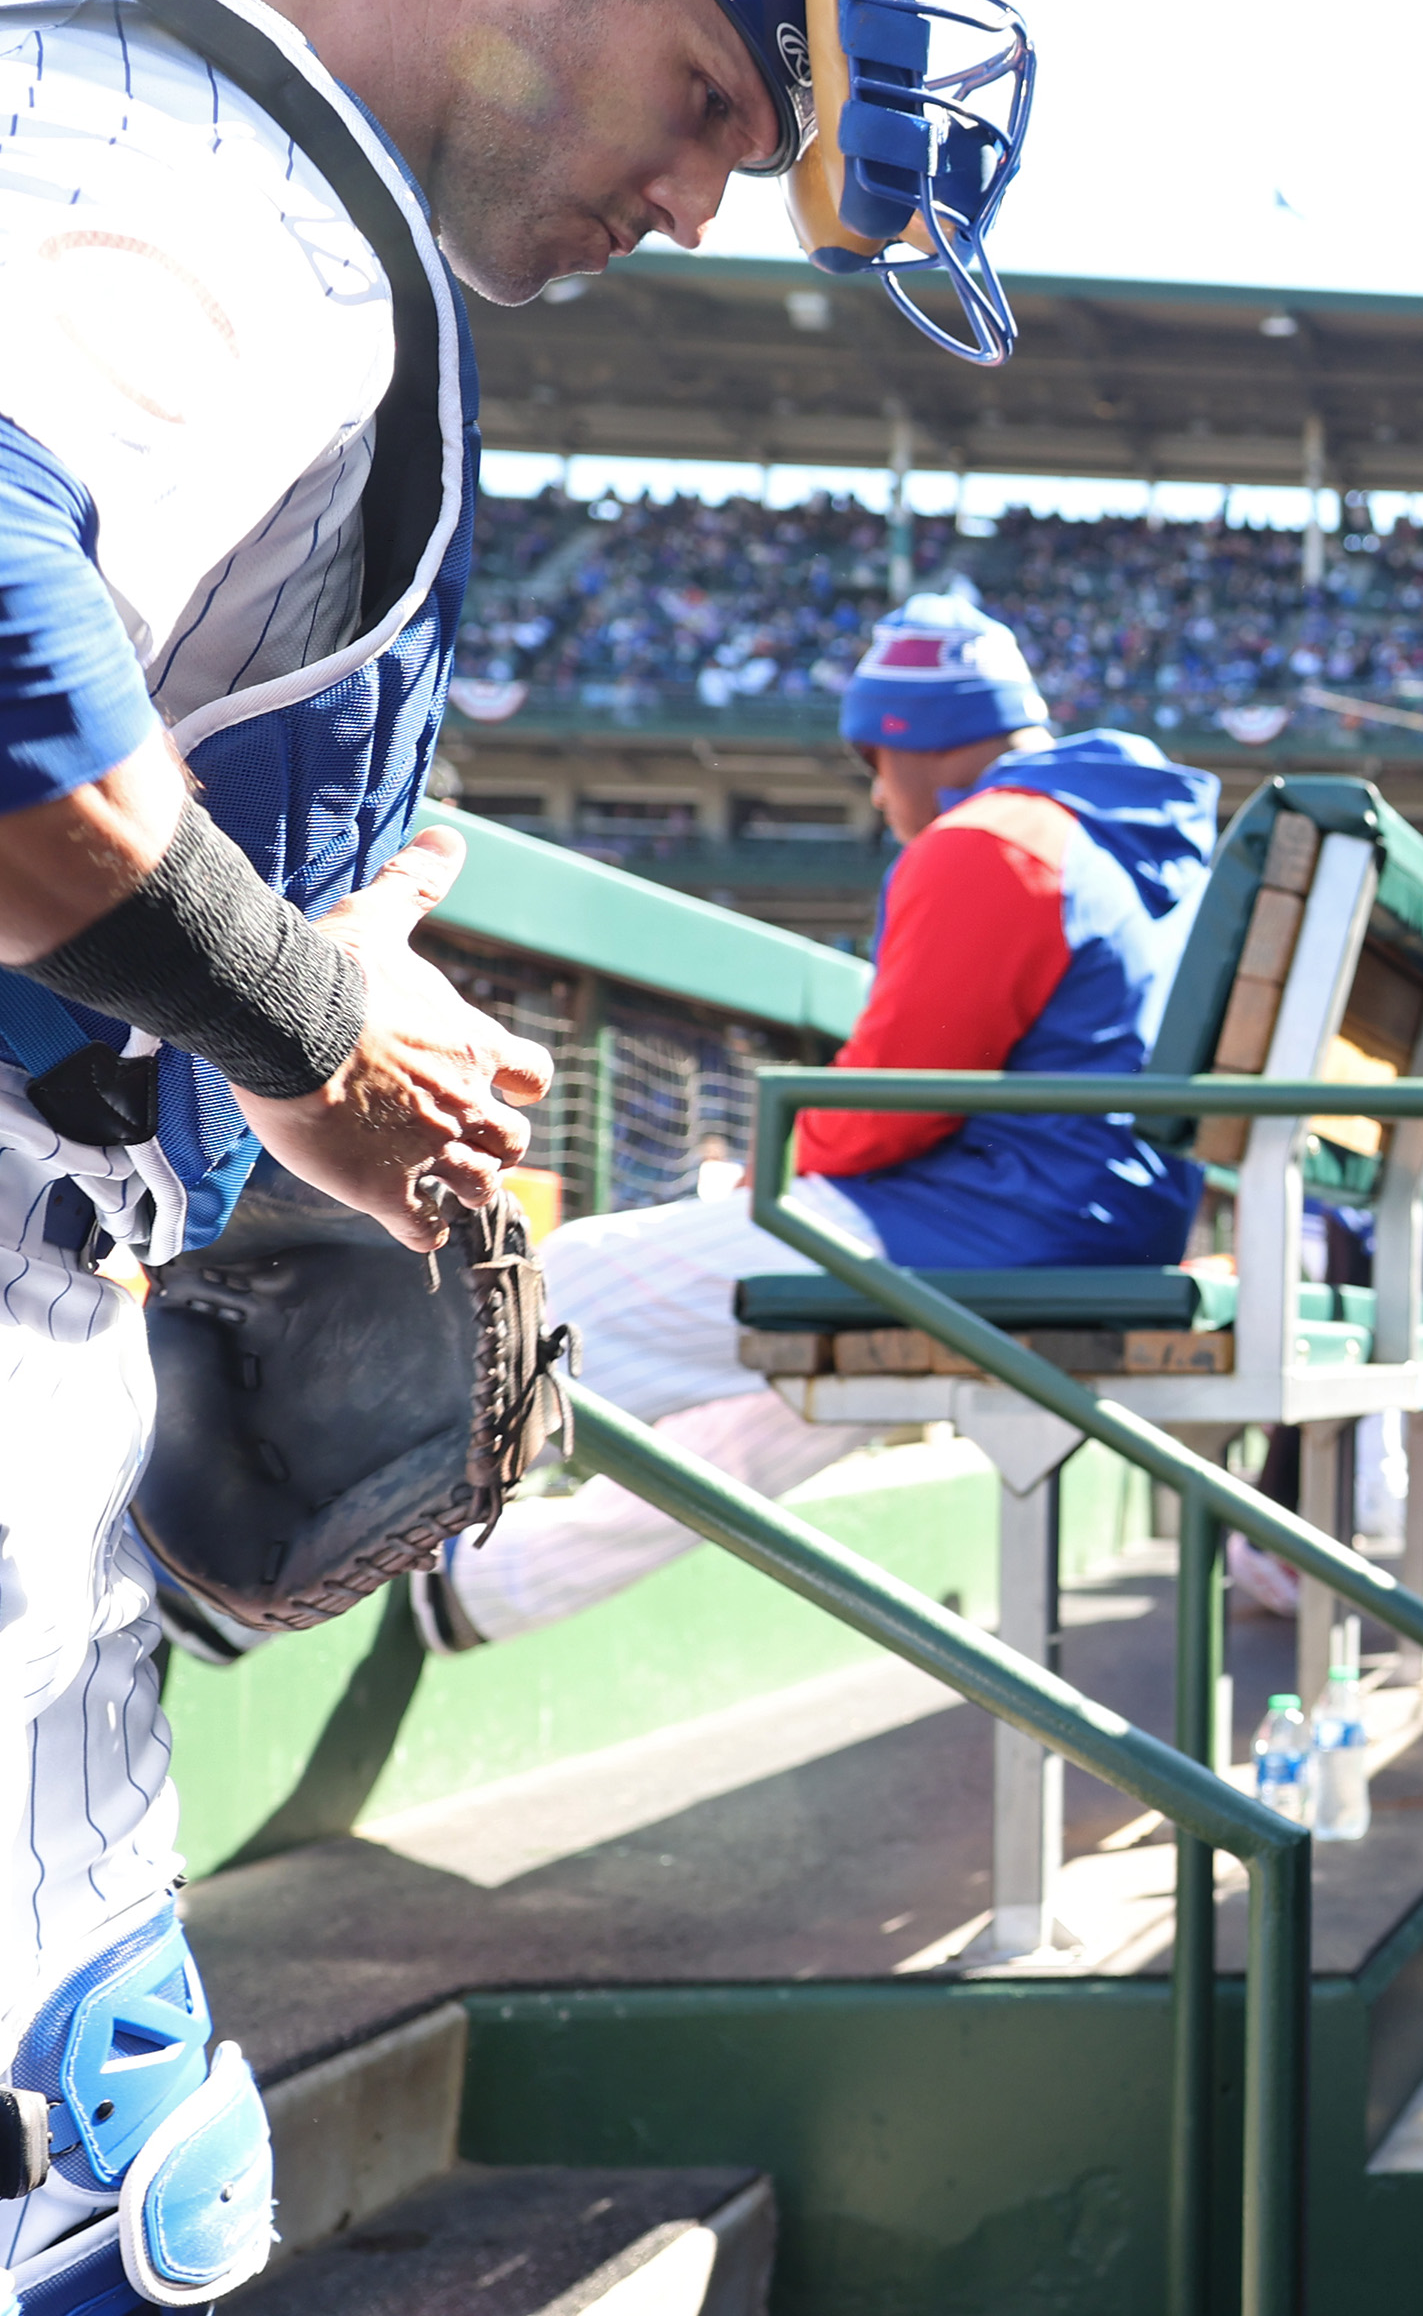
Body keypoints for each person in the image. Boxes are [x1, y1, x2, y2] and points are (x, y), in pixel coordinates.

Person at [0, 0, 1027, 2316]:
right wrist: (296, 1006)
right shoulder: (204, 154)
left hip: (15, 1329)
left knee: (97, 2249)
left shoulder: (260, 200)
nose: (701, 201)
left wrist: (264, 1060)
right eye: (714, 100)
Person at [418, 592, 1216, 1648]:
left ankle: (301, 1529)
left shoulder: (995, 838)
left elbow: (892, 1106)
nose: (879, 796)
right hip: (1101, 1222)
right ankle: (478, 1591)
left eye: (872, 767)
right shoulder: (1118, 832)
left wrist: (777, 1171)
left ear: (904, 742)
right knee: (774, 1408)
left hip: (1001, 1229)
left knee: (565, 1286)